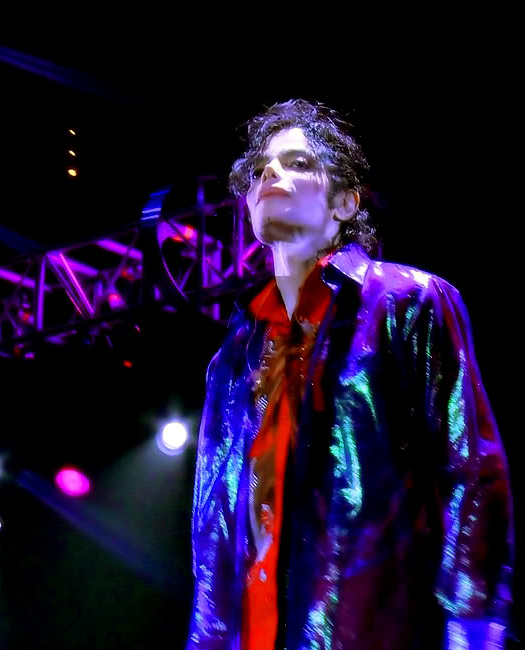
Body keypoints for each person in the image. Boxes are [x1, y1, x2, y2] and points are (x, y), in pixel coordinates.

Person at [185, 100, 514, 650]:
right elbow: (213, 521)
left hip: (374, 629)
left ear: (344, 202)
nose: (270, 174)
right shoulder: (235, 353)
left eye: (297, 162)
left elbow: (471, 467)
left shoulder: (409, 301)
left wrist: (472, 627)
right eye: (261, 169)